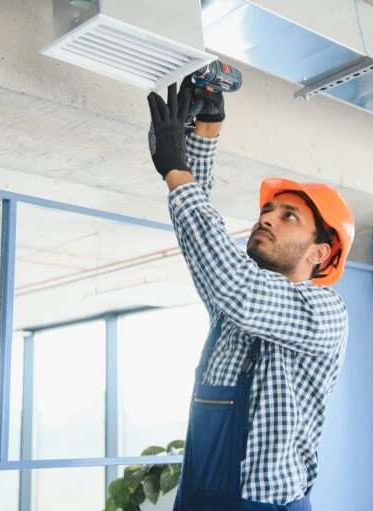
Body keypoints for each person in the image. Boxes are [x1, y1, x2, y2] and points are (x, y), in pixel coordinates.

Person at [146, 81, 355, 511]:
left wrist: (175, 170)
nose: (267, 219)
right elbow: (204, 247)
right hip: (197, 501)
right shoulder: (232, 309)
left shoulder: (324, 313)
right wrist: (206, 131)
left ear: (320, 253)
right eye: (266, 211)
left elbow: (238, 286)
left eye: (288, 216)